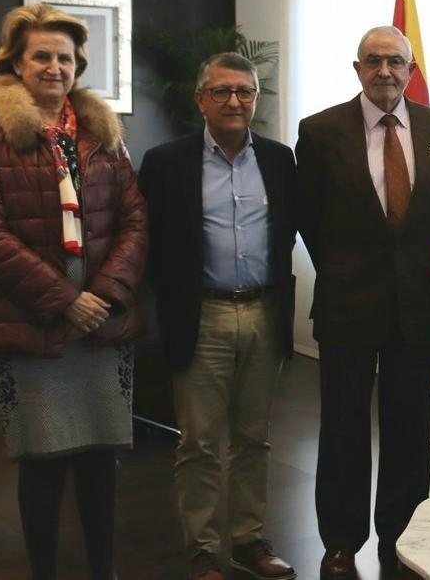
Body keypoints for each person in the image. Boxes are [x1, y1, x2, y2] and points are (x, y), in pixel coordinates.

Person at [0, 3, 147, 580]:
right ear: (15, 62)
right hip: (29, 322)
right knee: (40, 464)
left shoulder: (102, 136)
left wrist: (104, 296)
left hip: (101, 325)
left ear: (78, 66)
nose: (54, 66)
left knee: (100, 460)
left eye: (65, 57)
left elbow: (135, 220)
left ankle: (102, 570)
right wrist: (66, 300)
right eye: (41, 55)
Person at [294, 26, 430, 580]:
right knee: (342, 427)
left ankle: (402, 534)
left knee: (411, 427)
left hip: (415, 302)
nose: (384, 71)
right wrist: (346, 269)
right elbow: (308, 218)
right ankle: (341, 541)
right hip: (346, 301)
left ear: (411, 69)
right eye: (373, 61)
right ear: (357, 68)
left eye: (395, 62)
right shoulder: (319, 131)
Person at [138, 53, 297, 580]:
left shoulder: (279, 159)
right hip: (201, 315)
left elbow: (289, 231)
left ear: (255, 99)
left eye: (244, 92)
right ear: (201, 99)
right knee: (201, 441)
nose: (234, 101)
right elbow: (147, 245)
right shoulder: (166, 162)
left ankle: (249, 539)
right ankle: (203, 548)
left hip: (263, 312)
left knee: (255, 437)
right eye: (223, 91)